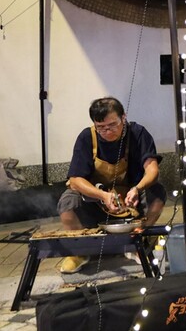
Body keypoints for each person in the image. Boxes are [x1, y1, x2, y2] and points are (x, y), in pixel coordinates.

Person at [57, 97, 166, 273]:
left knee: (157, 193)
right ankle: (79, 252)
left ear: (123, 117)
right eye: (101, 127)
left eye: (112, 125)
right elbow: (76, 179)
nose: (107, 131)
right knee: (67, 201)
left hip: (130, 202)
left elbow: (152, 170)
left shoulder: (138, 133)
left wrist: (137, 189)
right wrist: (103, 196)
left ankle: (137, 242)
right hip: (97, 201)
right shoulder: (87, 137)